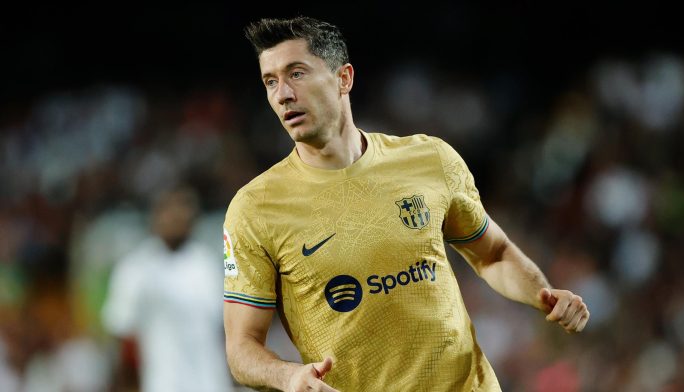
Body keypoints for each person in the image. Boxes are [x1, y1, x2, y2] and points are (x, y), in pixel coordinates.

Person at [223, 16, 590, 391]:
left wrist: (543, 293)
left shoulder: (430, 159)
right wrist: (288, 376)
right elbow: (241, 349)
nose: (282, 93)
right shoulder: (256, 208)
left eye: (296, 74)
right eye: (270, 81)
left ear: (343, 78)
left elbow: (492, 253)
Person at [102, 186, 233, 392]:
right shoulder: (136, 269)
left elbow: (228, 330)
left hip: (211, 383)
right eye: (169, 211)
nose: (176, 218)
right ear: (155, 216)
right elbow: (122, 335)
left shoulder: (208, 265)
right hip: (162, 383)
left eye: (183, 210)